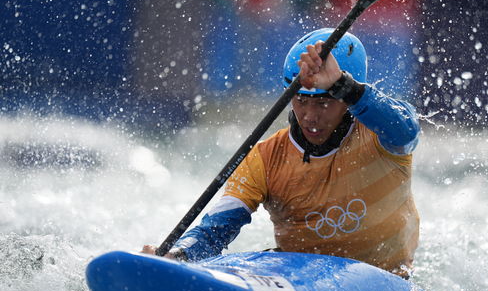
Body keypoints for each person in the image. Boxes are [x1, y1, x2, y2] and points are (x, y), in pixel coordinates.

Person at [142, 28, 421, 277]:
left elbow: (407, 130)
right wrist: (177, 256)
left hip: (386, 279)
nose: (310, 116)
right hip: (300, 279)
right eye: (301, 100)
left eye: (324, 103)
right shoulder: (264, 158)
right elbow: (218, 227)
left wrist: (343, 85)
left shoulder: (382, 134)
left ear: (346, 98)